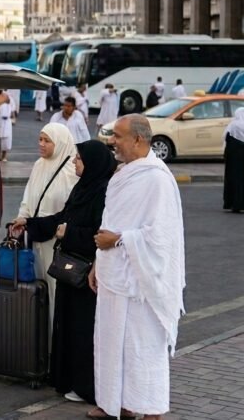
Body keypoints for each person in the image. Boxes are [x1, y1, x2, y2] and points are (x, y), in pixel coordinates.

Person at [91, 114, 185, 420]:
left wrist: (118, 241)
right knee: (111, 344)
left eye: (117, 136)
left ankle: (150, 410)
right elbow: (110, 222)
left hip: (142, 283)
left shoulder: (157, 178)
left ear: (138, 140)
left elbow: (161, 236)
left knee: (141, 349)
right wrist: (97, 262)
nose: (112, 142)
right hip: (113, 275)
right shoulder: (124, 174)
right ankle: (117, 403)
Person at [10, 140, 114, 405]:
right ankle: (68, 379)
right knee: (66, 324)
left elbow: (101, 234)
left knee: (83, 331)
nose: (74, 162)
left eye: (78, 159)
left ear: (92, 163)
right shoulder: (83, 188)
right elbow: (61, 218)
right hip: (71, 272)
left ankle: (86, 386)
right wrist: (29, 224)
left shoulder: (104, 193)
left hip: (88, 273)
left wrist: (70, 233)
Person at [12, 123, 79, 322]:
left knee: (55, 291)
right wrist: (21, 218)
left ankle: (54, 346)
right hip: (34, 238)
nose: (41, 144)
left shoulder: (72, 171)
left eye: (47, 140)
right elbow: (28, 196)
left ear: (60, 143)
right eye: (40, 139)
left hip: (56, 243)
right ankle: (38, 345)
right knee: (36, 290)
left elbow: (70, 211)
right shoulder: (39, 165)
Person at [223, 108, 244, 213]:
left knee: (232, 181)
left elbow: (226, 139)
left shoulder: (232, 125)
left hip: (232, 161)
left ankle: (232, 203)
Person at [0, 92, 13, 162]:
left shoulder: (10, 105)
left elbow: (12, 113)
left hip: (7, 123)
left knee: (6, 140)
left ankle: (4, 156)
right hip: (0, 122)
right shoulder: (0, 105)